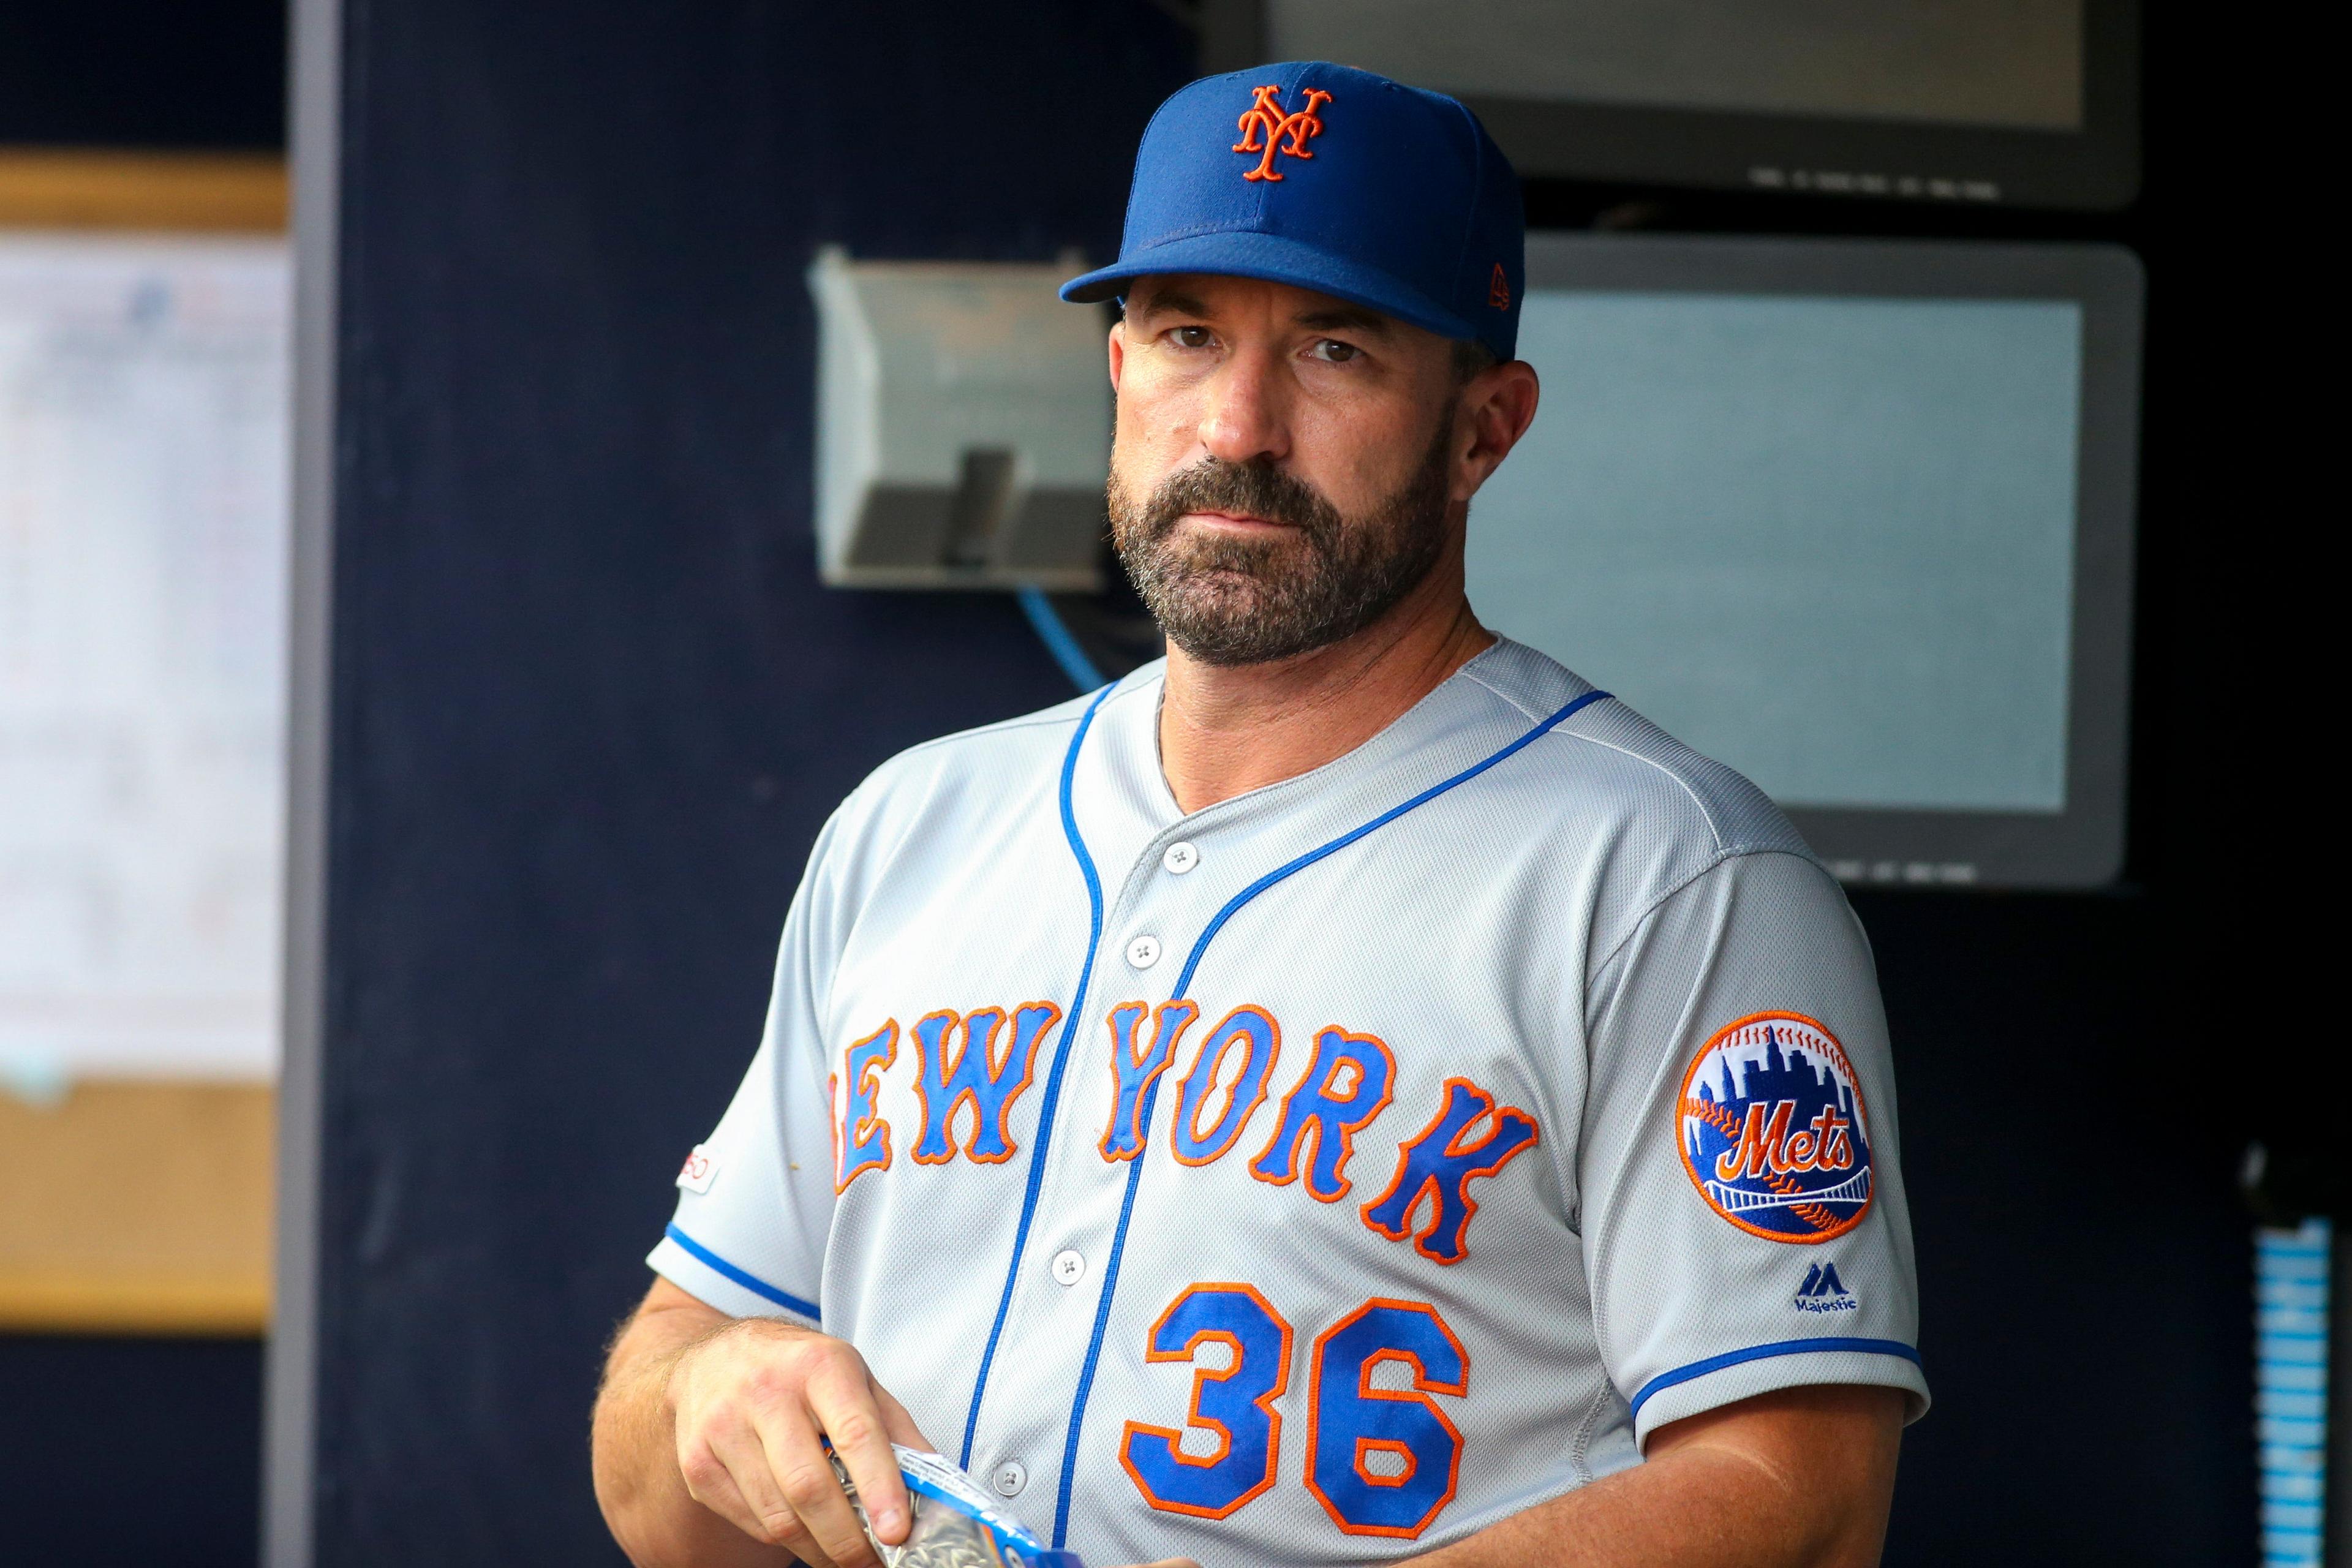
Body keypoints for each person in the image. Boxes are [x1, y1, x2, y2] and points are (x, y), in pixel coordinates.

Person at [592, 59, 1926, 1568]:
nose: (1238, 424)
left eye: (1337, 349)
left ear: (1484, 427)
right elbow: (657, 1478)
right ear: (1116, 371)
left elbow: (1797, 1502)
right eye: (1185, 334)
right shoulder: (914, 824)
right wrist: (704, 1387)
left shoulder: (1671, 878)